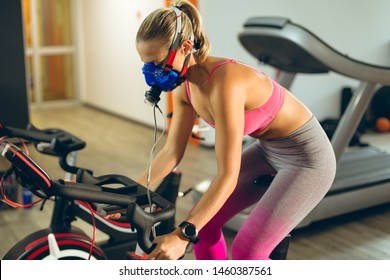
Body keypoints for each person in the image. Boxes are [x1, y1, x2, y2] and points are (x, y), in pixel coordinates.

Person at [134, 0, 336, 260]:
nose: (152, 73)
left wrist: (181, 236)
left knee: (247, 251)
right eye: (146, 64)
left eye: (158, 63)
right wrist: (133, 191)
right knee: (203, 229)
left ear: (185, 48)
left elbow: (228, 176)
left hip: (308, 161)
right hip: (268, 150)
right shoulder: (185, 89)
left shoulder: (226, 83)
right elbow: (172, 153)